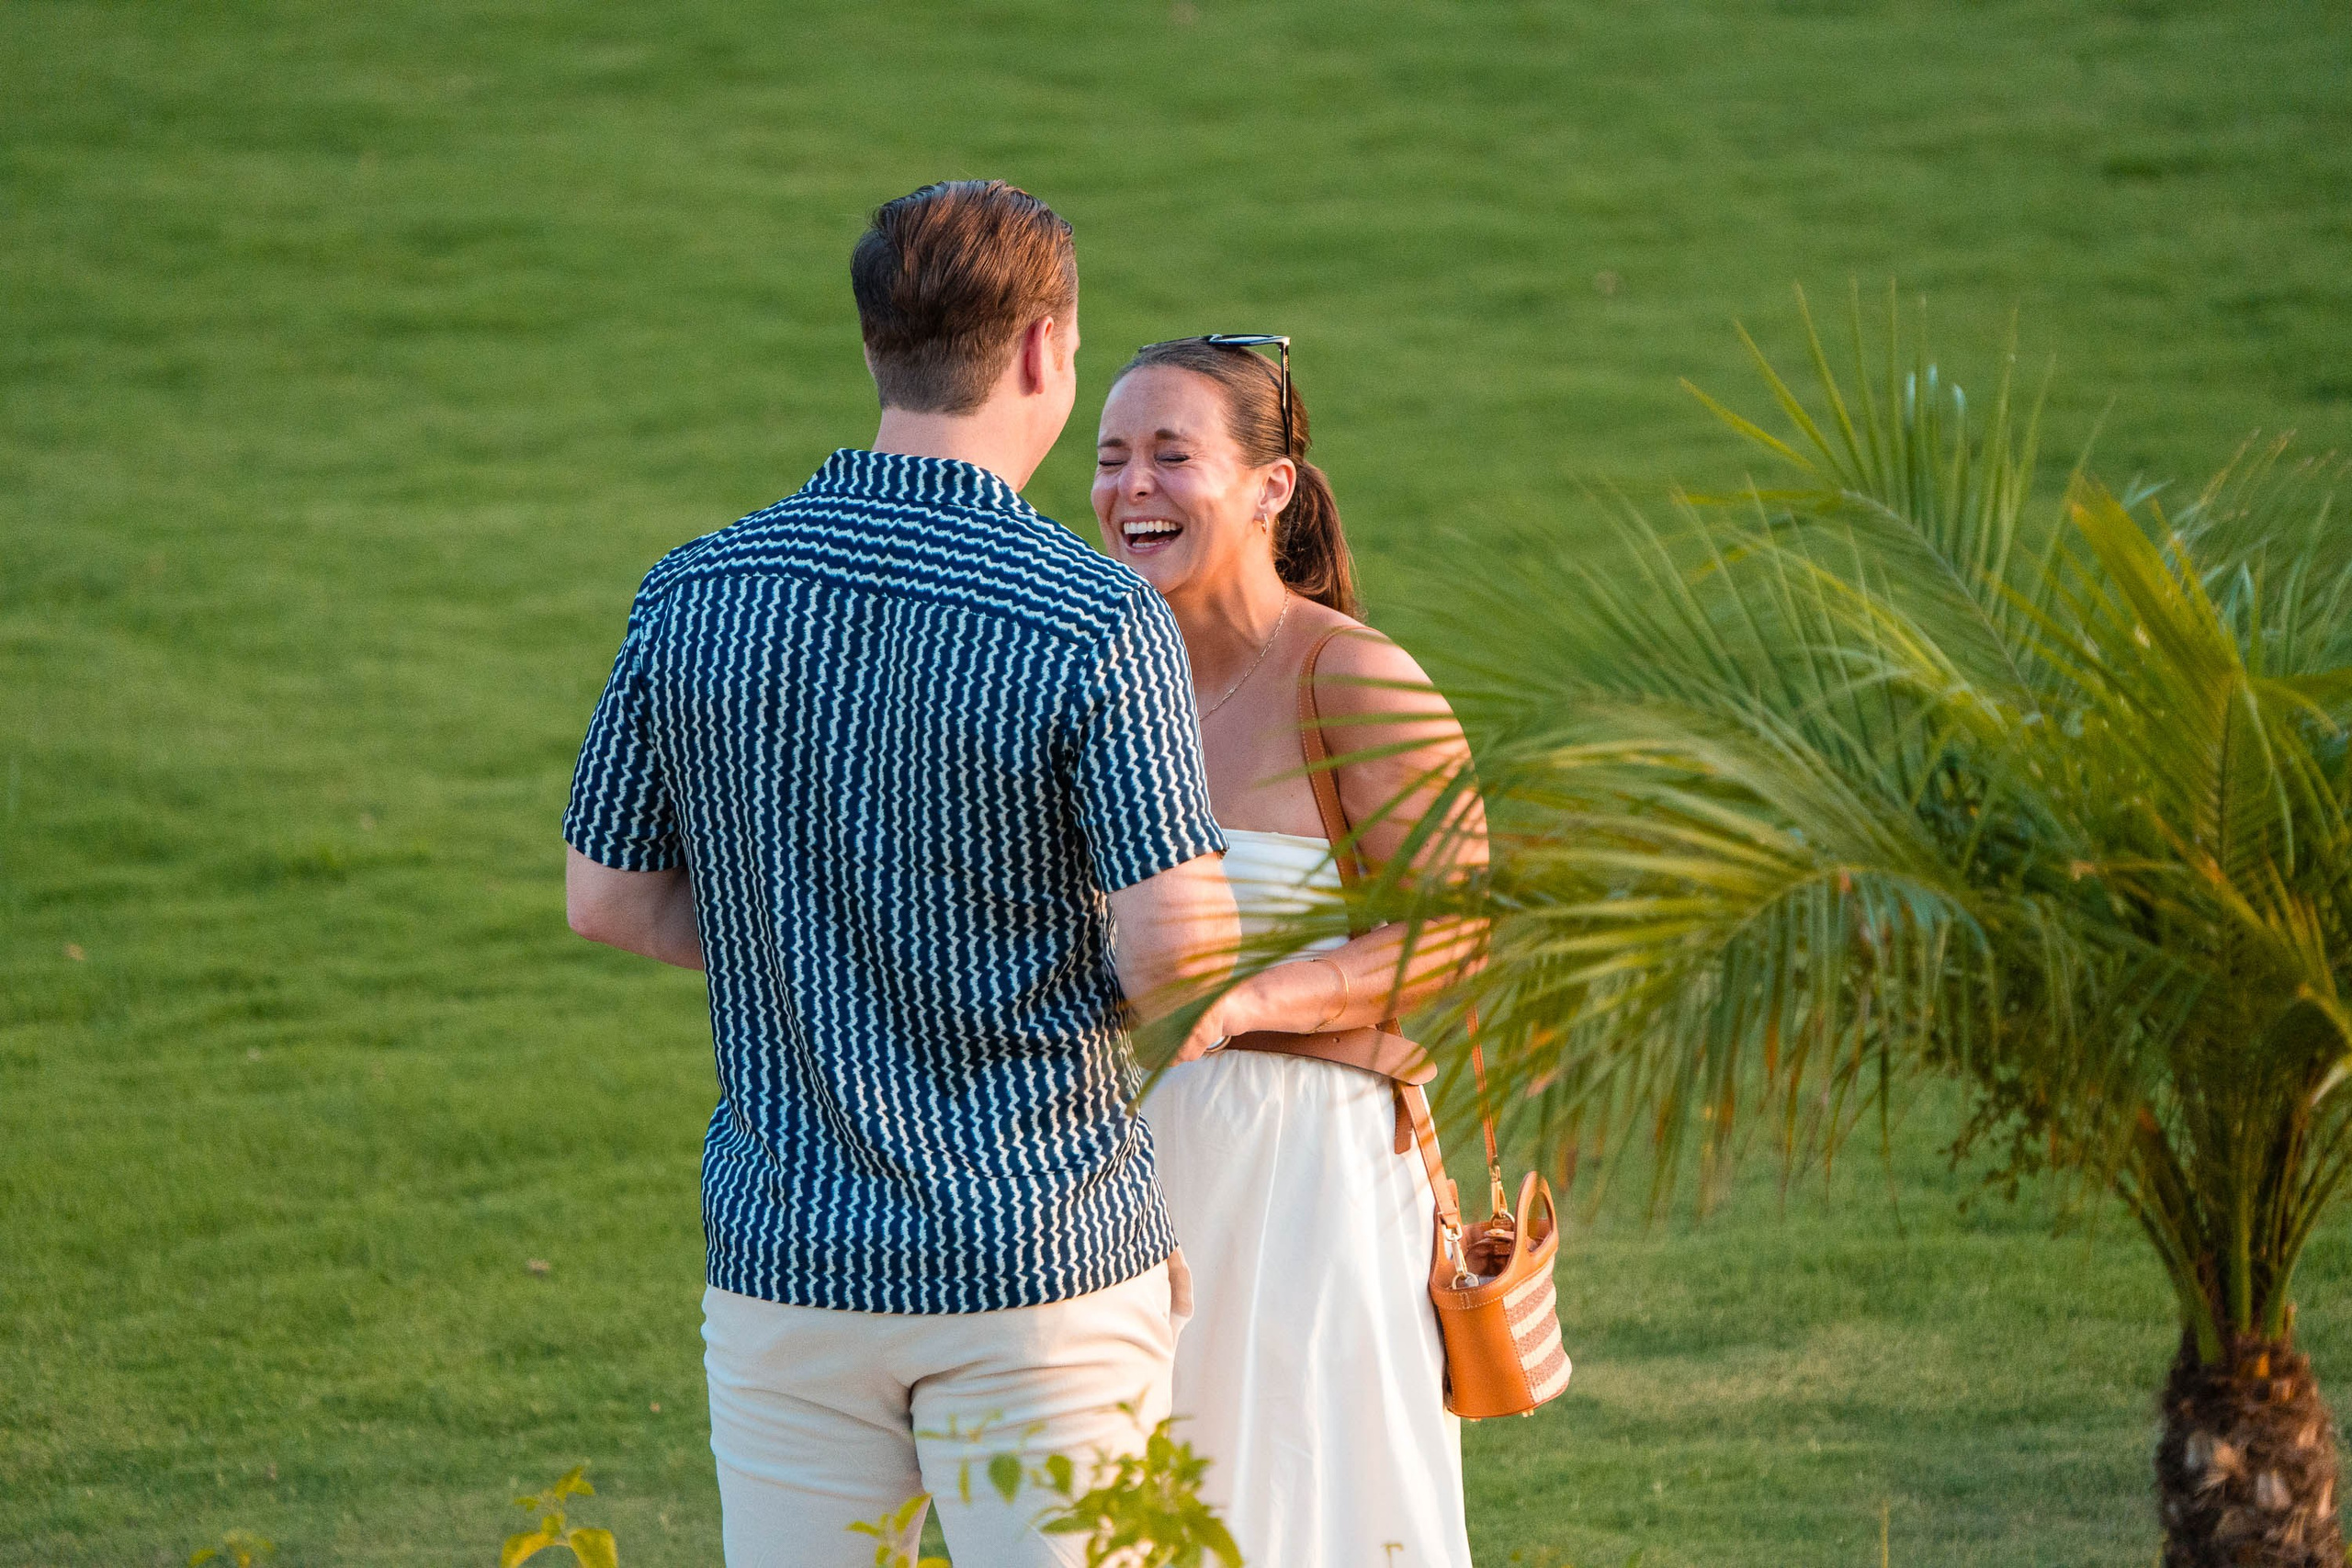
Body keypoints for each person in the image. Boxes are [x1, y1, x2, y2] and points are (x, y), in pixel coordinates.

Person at [561, 181, 1238, 1568]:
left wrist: (820, 942)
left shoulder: (694, 591)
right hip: (1036, 1258)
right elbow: (1183, 942)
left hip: (787, 1265)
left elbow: (608, 896)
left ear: (876, 345)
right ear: (1044, 351)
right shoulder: (1090, 616)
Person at [1097, 337, 1489, 1567]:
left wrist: (1257, 995)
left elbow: (1460, 929)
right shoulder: (1097, 682)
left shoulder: (1351, 676)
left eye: (1172, 455)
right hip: (1104, 1183)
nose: (1132, 486)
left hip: (1305, 1183)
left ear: (1273, 486)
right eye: (1110, 457)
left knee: (1292, 1500)